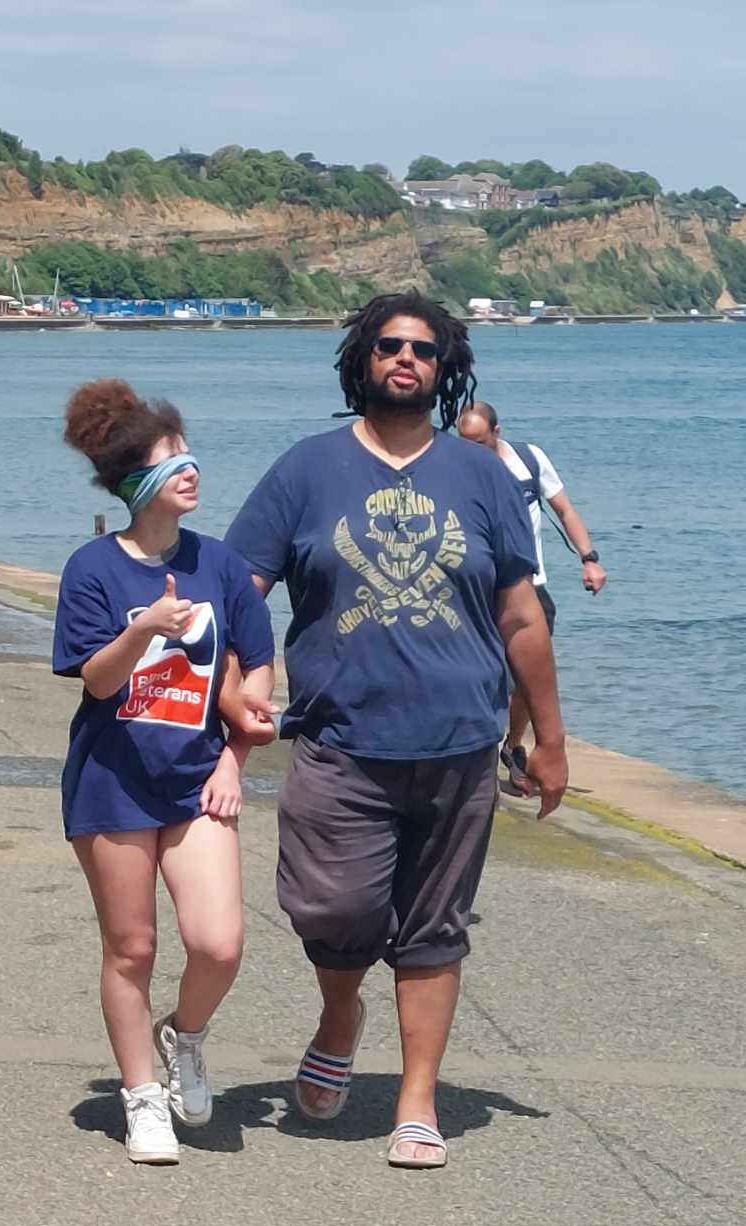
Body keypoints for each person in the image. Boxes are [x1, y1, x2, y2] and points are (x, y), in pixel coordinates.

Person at [224, 291, 566, 1169]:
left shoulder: (482, 476)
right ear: (361, 362)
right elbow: (238, 592)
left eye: (423, 349)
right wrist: (232, 686)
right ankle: (342, 1014)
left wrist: (552, 739)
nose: (404, 358)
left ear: (447, 369)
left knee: (434, 928)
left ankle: (418, 1100)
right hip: (340, 741)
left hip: (459, 745)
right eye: (387, 346)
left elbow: (521, 614)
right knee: (334, 909)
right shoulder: (306, 470)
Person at [54, 378, 276, 1166]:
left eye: (190, 457)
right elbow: (98, 681)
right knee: (132, 948)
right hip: (111, 783)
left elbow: (258, 676)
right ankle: (143, 1096)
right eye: (171, 460)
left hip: (195, 781)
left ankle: (185, 1036)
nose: (191, 471)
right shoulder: (93, 571)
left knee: (218, 943)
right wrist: (145, 626)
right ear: (133, 481)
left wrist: (234, 755)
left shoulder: (221, 566)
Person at [457, 398, 605, 798]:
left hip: (530, 585)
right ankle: (477, 760)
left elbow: (564, 509)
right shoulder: (454, 467)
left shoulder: (528, 460)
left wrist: (590, 559)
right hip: (477, 589)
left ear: (497, 432)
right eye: (464, 442)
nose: (472, 452)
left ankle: (512, 746)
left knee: (529, 675)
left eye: (480, 442)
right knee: (484, 676)